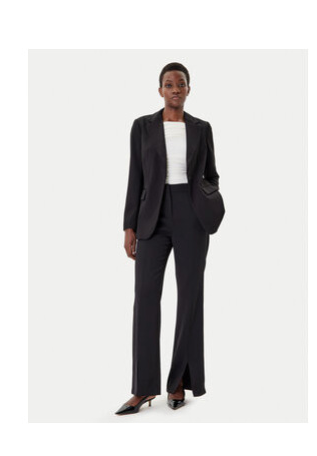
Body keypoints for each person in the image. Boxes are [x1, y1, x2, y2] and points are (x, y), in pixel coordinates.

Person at [115, 62, 225, 415]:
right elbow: (135, 176)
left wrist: (206, 203)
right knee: (146, 298)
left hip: (192, 217)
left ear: (188, 89)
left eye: (181, 83)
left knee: (190, 298)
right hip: (153, 216)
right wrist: (129, 225)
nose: (175, 88)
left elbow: (212, 175)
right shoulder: (142, 127)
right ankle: (143, 388)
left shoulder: (202, 128)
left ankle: (179, 381)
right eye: (169, 83)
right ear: (160, 90)